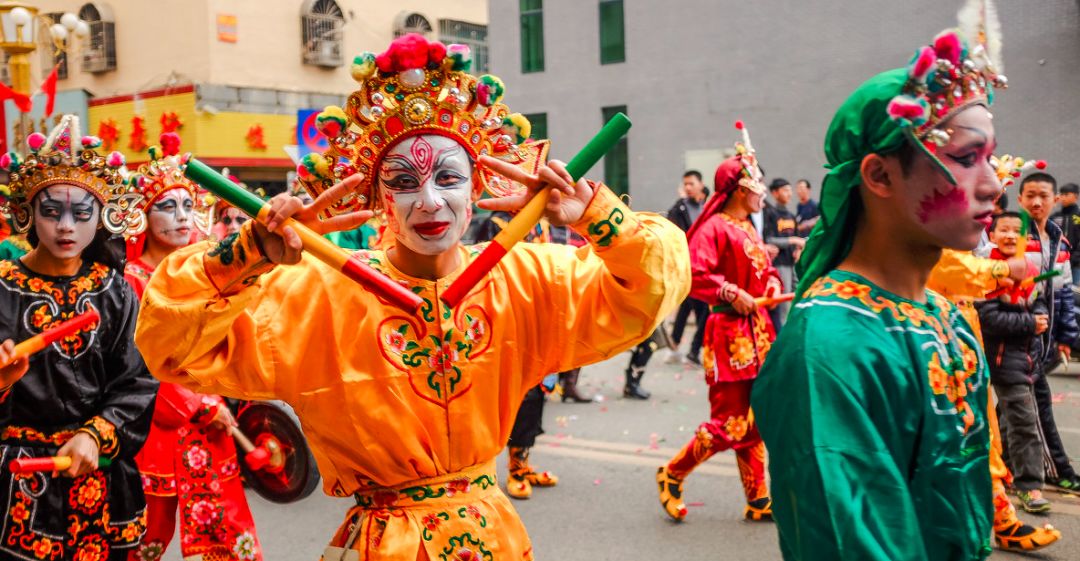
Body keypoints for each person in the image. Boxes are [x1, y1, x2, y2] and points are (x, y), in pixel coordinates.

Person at [134, 34, 688, 560]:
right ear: (374, 197)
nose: (429, 201)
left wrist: (596, 217)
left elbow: (651, 289)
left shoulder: (522, 276)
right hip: (385, 542)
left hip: (493, 536)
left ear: (478, 186)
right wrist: (249, 251)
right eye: (402, 181)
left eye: (449, 177)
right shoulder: (317, 290)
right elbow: (169, 344)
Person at [752, 13, 1007, 559]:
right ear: (879, 176)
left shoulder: (947, 315)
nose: (993, 185)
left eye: (989, 157)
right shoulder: (829, 346)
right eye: (965, 159)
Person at [0, 115, 158, 560]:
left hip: (101, 472)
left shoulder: (115, 290)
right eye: (51, 212)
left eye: (81, 213)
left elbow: (137, 381)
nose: (65, 226)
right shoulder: (2, 286)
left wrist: (96, 434)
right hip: (19, 478)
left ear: (102, 217)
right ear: (28, 215)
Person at [123, 135, 263, 561]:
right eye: (168, 206)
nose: (183, 216)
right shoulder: (128, 280)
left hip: (209, 415)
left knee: (226, 531)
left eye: (188, 205)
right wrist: (197, 404)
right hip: (155, 423)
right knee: (147, 536)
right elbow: (136, 364)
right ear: (142, 217)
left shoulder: (201, 272)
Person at [656, 125, 780, 523]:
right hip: (729, 334)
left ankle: (758, 498)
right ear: (740, 189)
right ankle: (672, 472)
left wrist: (772, 283)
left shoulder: (746, 228)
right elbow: (695, 272)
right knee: (729, 421)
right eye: (755, 184)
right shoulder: (713, 228)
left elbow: (765, 270)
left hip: (758, 330)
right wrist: (730, 292)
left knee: (756, 416)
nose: (761, 190)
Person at [976, 211, 1052, 514]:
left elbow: (1040, 300)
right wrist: (1030, 323)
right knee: (1024, 423)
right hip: (1000, 358)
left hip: (1026, 358)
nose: (1010, 235)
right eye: (1003, 230)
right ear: (992, 235)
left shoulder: (1032, 267)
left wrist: (1040, 316)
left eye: (1016, 231)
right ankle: (1030, 487)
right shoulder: (987, 271)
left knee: (1009, 419)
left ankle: (1005, 472)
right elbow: (988, 317)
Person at [1017, 172, 1080, 492]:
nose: (1036, 202)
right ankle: (1058, 468)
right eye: (1030, 195)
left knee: (1015, 407)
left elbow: (1065, 293)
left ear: (1054, 199)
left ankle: (1011, 467)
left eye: (1043, 195)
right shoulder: (1009, 235)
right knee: (1034, 404)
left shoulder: (1060, 240)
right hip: (1015, 338)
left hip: (1044, 338)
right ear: (1020, 199)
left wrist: (1067, 337)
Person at [666, 170, 710, 364]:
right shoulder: (680, 208)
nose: (688, 187)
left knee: (691, 307)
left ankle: (679, 345)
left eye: (691, 184)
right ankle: (691, 349)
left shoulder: (706, 208)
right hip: (687, 267)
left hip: (704, 266)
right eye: (686, 184)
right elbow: (671, 231)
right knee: (699, 308)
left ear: (701, 184)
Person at [763, 178, 803, 327]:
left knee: (796, 297)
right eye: (785, 190)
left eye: (789, 190)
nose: (789, 193)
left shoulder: (791, 216)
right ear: (774, 193)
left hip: (792, 264)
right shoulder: (770, 214)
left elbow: (798, 239)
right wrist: (792, 241)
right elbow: (769, 239)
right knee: (782, 305)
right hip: (779, 265)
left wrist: (798, 248)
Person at [1050, 182, 1080, 284]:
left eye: (1066, 195)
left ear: (1076, 196)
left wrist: (1074, 258)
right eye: (1061, 194)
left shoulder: (1078, 216)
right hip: (1058, 262)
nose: (1063, 197)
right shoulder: (1054, 217)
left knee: (1075, 292)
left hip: (1077, 264)